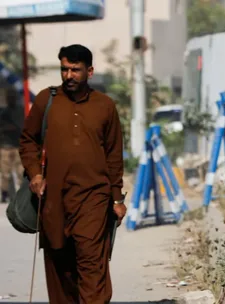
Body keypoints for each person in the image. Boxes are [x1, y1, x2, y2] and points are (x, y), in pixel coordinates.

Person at [19, 44, 126, 304]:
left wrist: (116, 199)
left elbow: (114, 155)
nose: (68, 75)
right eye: (64, 69)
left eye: (75, 70)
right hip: (54, 200)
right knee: (61, 268)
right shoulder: (47, 99)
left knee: (92, 265)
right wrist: (34, 174)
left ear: (89, 71)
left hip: (93, 199)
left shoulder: (105, 106)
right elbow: (28, 141)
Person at [0, 88, 25, 203]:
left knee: (21, 172)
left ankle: (20, 195)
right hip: (6, 146)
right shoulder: (3, 112)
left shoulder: (20, 111)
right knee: (5, 173)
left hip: (18, 145)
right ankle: (5, 194)